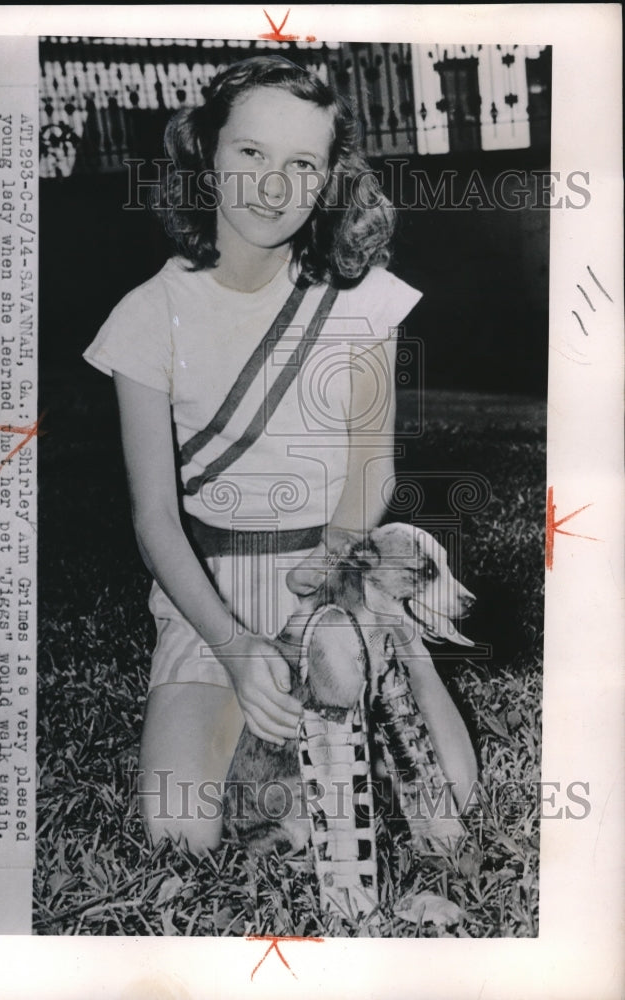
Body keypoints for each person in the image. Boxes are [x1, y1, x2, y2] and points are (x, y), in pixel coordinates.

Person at [84, 55, 475, 853]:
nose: (271, 185)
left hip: (334, 573)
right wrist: (233, 650)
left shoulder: (361, 295)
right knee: (179, 827)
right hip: (212, 595)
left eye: (302, 164)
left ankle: (364, 695)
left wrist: (323, 608)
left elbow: (373, 471)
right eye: (250, 153)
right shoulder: (146, 314)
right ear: (206, 154)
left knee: (453, 804)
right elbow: (155, 519)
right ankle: (295, 766)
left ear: (330, 178)